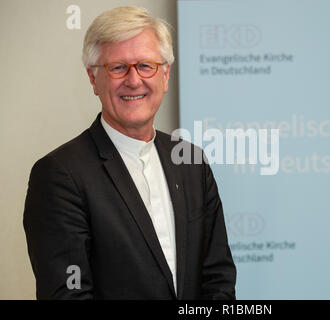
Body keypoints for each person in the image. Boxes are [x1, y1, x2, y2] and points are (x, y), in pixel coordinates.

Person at [23, 6, 236, 300]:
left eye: (146, 65)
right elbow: (67, 295)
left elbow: (219, 279)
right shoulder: (60, 175)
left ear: (165, 74)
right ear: (93, 78)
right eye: (118, 67)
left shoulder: (192, 162)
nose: (134, 80)